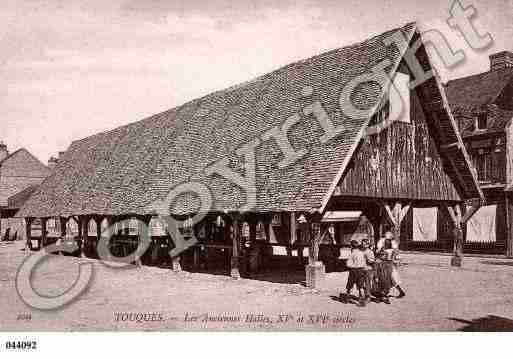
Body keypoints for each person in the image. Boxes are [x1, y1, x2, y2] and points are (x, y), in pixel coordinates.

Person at [377, 231, 406, 299]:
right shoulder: (384, 246)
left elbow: (394, 256)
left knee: (392, 278)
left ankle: (388, 292)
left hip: (389, 265)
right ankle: (385, 292)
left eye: (388, 240)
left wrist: (393, 259)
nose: (387, 242)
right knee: (387, 278)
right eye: (386, 240)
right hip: (385, 264)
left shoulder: (391, 249)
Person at [343, 238, 367, 306]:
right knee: (361, 286)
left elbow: (348, 264)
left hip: (354, 271)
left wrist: (351, 265)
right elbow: (364, 263)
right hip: (361, 270)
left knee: (350, 285)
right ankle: (362, 301)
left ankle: (347, 299)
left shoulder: (352, 254)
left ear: (351, 246)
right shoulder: (362, 253)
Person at [361, 236, 375, 304]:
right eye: (362, 244)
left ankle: (368, 297)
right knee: (362, 284)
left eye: (365, 244)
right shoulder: (361, 251)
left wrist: (367, 259)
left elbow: (372, 261)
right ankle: (366, 295)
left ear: (368, 244)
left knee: (367, 284)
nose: (363, 245)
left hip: (368, 270)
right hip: (362, 269)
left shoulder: (370, 252)